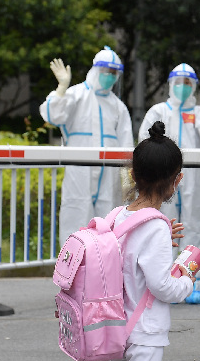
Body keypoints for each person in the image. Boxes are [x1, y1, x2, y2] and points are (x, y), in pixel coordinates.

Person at [104, 121, 197, 361]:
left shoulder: (118, 216)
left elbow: (126, 260)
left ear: (134, 174)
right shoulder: (155, 227)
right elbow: (162, 286)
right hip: (145, 331)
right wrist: (187, 277)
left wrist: (162, 244)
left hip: (117, 327)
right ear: (176, 180)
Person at [139, 63, 200, 304]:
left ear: (194, 86)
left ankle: (195, 282)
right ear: (170, 84)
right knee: (162, 226)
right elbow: (144, 142)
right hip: (163, 177)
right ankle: (163, 281)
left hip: (196, 179)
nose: (183, 87)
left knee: (195, 227)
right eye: (178, 82)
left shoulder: (199, 113)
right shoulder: (158, 111)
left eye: (188, 83)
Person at [39, 46, 134, 246]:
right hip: (79, 173)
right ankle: (71, 265)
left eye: (114, 72)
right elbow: (52, 115)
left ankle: (104, 266)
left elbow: (127, 148)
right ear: (95, 69)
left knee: (108, 226)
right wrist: (61, 88)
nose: (109, 76)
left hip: (108, 177)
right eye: (106, 71)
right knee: (76, 218)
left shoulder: (118, 107)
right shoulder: (76, 94)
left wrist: (128, 182)